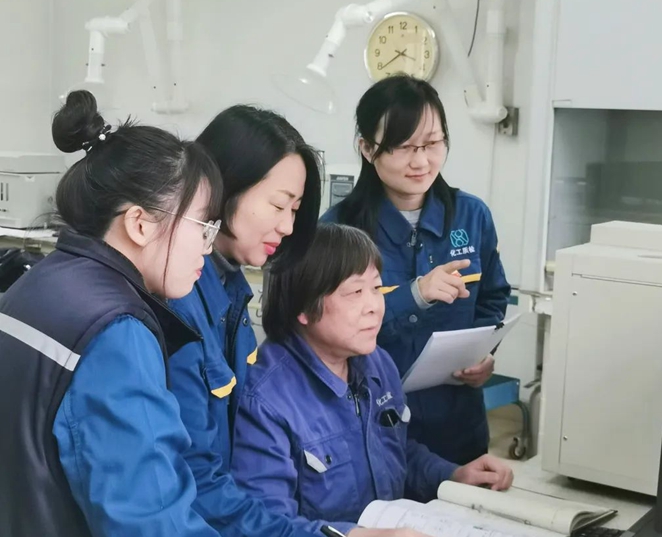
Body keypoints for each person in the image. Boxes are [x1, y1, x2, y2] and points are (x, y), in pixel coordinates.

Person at [0, 90, 226, 536]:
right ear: (140, 223)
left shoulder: (38, 280)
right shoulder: (117, 333)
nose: (208, 246)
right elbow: (151, 521)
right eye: (203, 226)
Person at [231, 223, 514, 537]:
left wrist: (452, 475)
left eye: (377, 288)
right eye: (355, 292)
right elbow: (265, 526)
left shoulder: (376, 362)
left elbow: (396, 452)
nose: (375, 307)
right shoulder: (265, 401)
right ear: (304, 307)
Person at [322, 75, 511, 465]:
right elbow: (326, 331)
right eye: (404, 147)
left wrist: (484, 354)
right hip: (372, 426)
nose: (421, 162)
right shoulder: (338, 232)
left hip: (458, 425)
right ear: (367, 148)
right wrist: (415, 295)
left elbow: (493, 299)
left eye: (432, 143)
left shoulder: (471, 215)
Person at [167, 105, 322, 535]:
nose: (288, 226)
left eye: (296, 209)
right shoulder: (178, 301)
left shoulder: (230, 288)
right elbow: (195, 478)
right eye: (278, 205)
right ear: (224, 186)